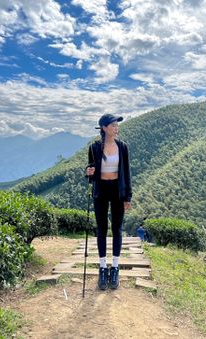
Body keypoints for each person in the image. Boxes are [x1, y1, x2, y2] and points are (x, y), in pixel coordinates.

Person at [86, 113, 132, 290]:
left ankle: (115, 267)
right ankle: (103, 267)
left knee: (117, 229)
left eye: (116, 125)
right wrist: (88, 172)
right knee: (102, 229)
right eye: (113, 125)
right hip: (101, 190)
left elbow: (126, 173)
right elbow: (90, 169)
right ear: (104, 128)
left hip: (117, 191)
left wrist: (128, 197)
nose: (116, 127)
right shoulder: (94, 147)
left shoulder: (123, 147)